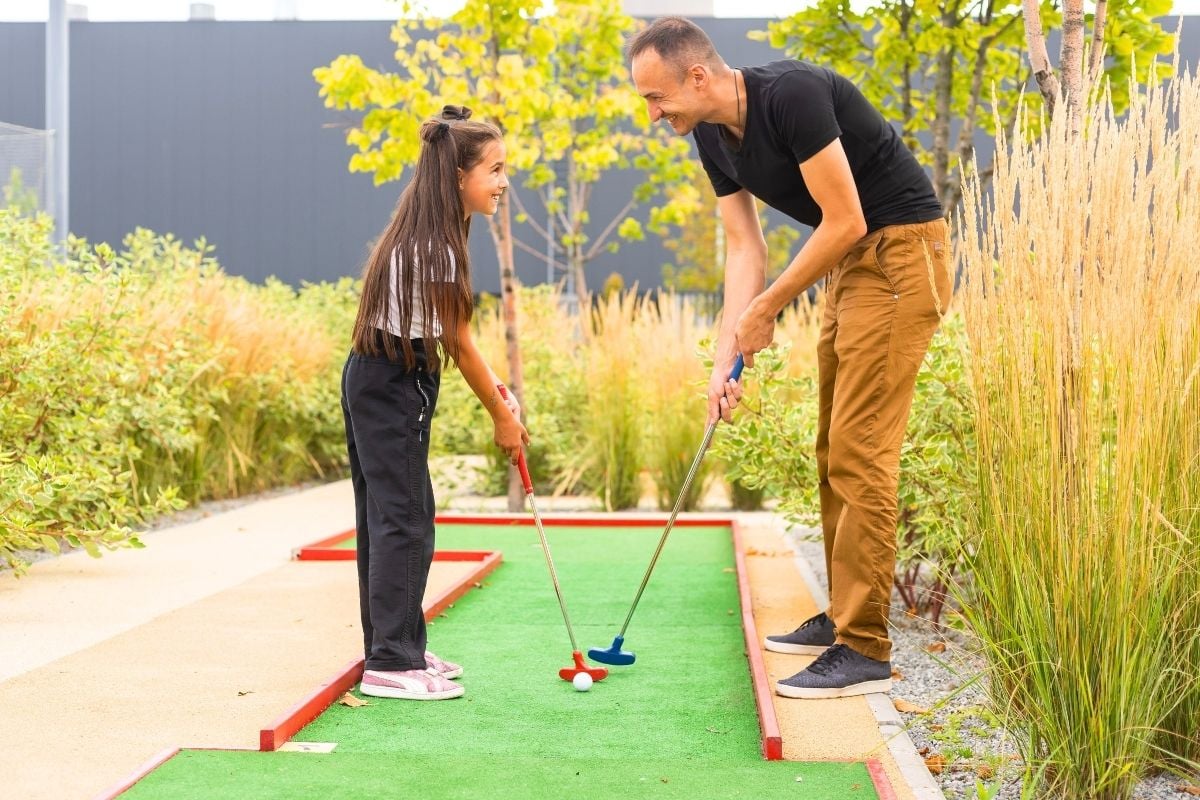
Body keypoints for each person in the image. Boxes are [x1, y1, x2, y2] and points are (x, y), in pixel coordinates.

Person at [629, 18, 951, 699]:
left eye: (658, 99)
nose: (655, 115)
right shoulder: (713, 138)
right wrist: (724, 360)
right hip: (853, 268)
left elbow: (846, 220)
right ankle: (844, 615)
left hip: (899, 254)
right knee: (832, 445)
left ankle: (863, 647)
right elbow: (744, 250)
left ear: (698, 76)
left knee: (859, 447)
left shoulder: (793, 94)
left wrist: (768, 308)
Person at [341, 105, 528, 701]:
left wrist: (500, 391)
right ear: (457, 177)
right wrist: (502, 414)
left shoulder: (433, 235)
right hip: (391, 383)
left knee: (399, 516)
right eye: (494, 170)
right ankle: (392, 662)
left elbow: (455, 340)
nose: (503, 182)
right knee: (404, 521)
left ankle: (398, 647)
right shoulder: (436, 247)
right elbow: (461, 343)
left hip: (383, 378)